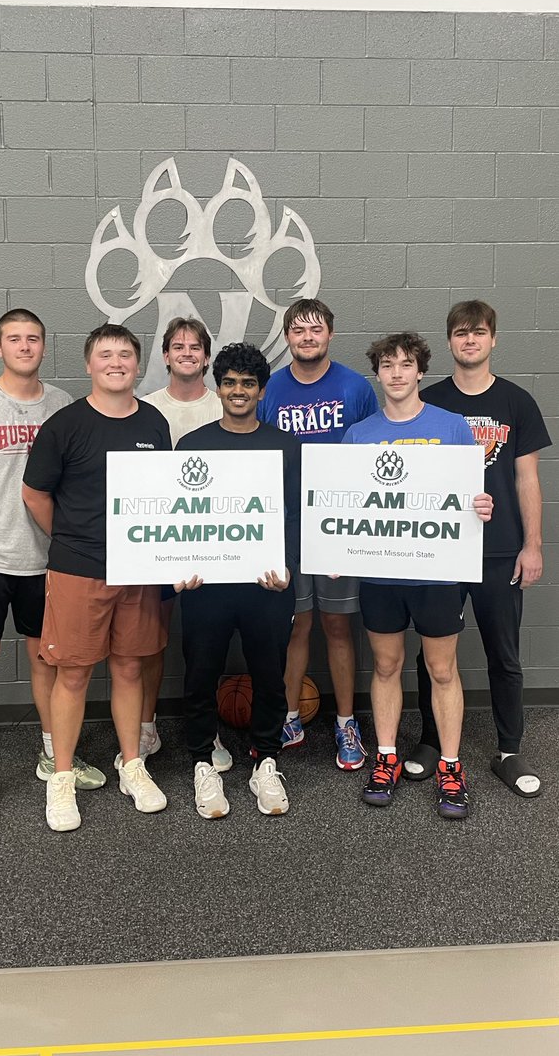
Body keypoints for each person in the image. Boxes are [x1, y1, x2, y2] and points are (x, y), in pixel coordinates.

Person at [0, 309, 104, 829]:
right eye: (14, 339)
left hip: (48, 564)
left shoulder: (61, 405)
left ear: (44, 346)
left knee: (47, 665)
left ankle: (52, 754)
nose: (25, 346)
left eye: (33, 338)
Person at [22, 323, 171, 832]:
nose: (116, 362)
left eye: (125, 354)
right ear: (89, 365)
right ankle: (61, 777)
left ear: (137, 363)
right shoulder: (64, 426)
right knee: (75, 673)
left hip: (139, 568)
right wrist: (72, 539)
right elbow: (35, 495)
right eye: (105, 354)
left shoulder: (154, 423)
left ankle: (132, 765)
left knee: (130, 668)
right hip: (78, 569)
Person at [343, 332, 493, 820]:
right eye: (387, 365)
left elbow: (471, 495)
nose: (397, 373)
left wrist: (480, 506)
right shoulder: (360, 434)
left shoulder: (451, 427)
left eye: (406, 364)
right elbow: (342, 500)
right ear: (379, 374)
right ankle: (385, 756)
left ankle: (451, 766)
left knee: (442, 669)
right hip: (381, 572)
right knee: (386, 667)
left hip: (438, 575)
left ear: (420, 371)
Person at [406, 301, 551, 798]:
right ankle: (430, 741)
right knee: (433, 654)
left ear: (493, 340)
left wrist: (532, 545)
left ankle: (509, 750)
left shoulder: (517, 401)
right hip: (440, 549)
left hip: (499, 550)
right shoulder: (428, 401)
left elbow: (527, 478)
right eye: (461, 333)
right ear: (448, 342)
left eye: (479, 332)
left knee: (503, 654)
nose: (470, 340)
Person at [177, 342, 300, 819]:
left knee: (270, 675)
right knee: (200, 673)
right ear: (218, 386)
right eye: (229, 382)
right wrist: (177, 566)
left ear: (261, 391)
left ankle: (266, 759)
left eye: (248, 384)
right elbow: (180, 517)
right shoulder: (193, 447)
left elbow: (292, 515)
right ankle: (203, 761)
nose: (238, 391)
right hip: (206, 587)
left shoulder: (286, 446)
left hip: (266, 584)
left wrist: (287, 565)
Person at [258, 297, 377, 769]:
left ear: (330, 334)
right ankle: (290, 714)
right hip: (287, 525)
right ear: (287, 337)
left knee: (337, 625)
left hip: (337, 524)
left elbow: (371, 454)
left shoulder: (355, 387)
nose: (308, 337)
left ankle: (346, 721)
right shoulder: (271, 390)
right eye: (299, 330)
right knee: (297, 624)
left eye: (316, 329)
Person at [138, 316, 229, 771]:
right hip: (162, 539)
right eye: (179, 346)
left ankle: (207, 732)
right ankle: (146, 727)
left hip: (212, 541)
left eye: (196, 347)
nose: (188, 353)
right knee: (151, 640)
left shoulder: (223, 407)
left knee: (203, 645)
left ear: (207, 356)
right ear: (166, 356)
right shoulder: (147, 409)